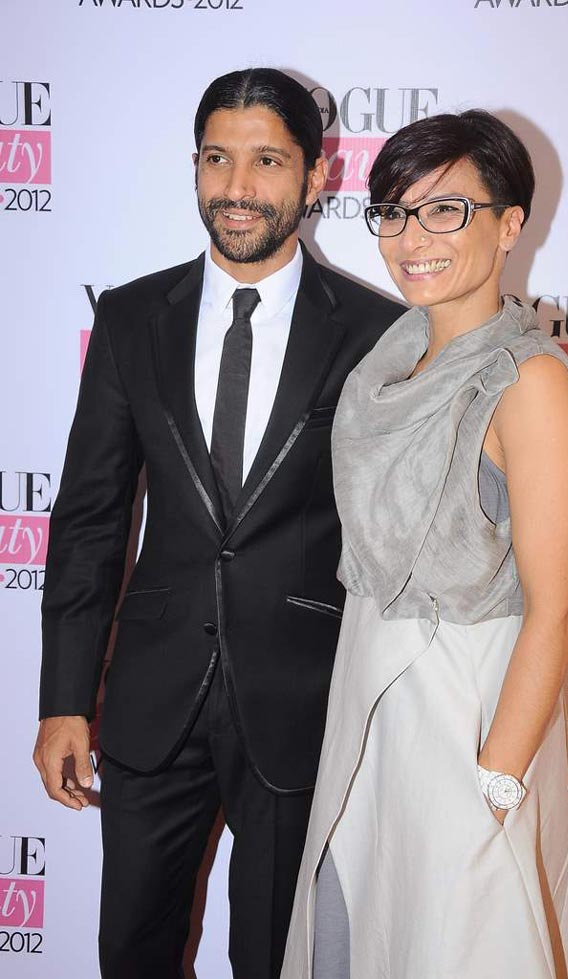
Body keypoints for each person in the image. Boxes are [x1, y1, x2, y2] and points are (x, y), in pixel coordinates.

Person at [32, 68, 403, 979]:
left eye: (267, 161)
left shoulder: (375, 333)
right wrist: (64, 699)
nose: (237, 187)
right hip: (152, 699)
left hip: (303, 702)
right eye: (216, 159)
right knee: (131, 952)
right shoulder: (131, 318)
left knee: (277, 959)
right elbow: (89, 520)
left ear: (316, 177)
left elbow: (393, 537)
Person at [281, 110, 568, 979]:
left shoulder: (529, 382)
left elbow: (559, 609)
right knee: (351, 938)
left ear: (509, 223)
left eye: (445, 210)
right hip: (370, 711)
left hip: (468, 717)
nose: (411, 238)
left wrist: (494, 782)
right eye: (394, 211)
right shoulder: (387, 364)